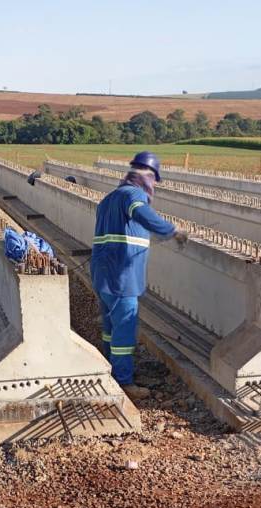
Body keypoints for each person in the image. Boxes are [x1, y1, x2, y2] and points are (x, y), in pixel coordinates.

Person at [90, 151, 187, 399]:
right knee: (125, 327)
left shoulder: (109, 198)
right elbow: (141, 213)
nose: (154, 186)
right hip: (122, 274)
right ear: (149, 176)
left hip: (103, 273)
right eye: (155, 181)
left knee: (110, 325)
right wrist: (171, 230)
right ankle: (123, 382)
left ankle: (112, 369)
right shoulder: (133, 194)